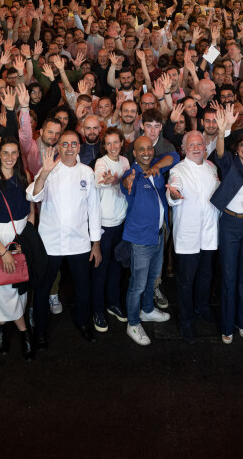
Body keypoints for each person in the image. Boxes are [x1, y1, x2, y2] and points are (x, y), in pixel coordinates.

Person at [26, 132, 102, 344]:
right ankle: (40, 330)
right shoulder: (48, 170)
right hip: (50, 243)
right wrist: (43, 174)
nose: (69, 148)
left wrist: (96, 244)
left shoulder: (87, 172)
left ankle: (83, 323)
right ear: (58, 147)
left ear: (79, 147)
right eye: (65, 144)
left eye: (73, 144)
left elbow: (94, 210)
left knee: (83, 287)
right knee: (42, 289)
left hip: (79, 242)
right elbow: (32, 196)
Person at [0, 139, 46, 359]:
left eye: (14, 153)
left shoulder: (24, 176)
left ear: (19, 155)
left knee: (21, 286)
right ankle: (22, 331)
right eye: (5, 153)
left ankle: (5, 328)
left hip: (21, 238)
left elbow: (31, 210)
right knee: (1, 287)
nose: (10, 157)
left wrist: (28, 231)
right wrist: (4, 251)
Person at [120, 136, 179, 345]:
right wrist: (127, 182)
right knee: (137, 284)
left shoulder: (156, 168)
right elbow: (125, 184)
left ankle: (146, 310)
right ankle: (133, 323)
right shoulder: (132, 174)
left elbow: (174, 156)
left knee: (153, 278)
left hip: (158, 234)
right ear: (134, 154)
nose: (146, 152)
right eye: (141, 149)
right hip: (141, 239)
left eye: (149, 148)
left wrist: (156, 167)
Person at [212, 108, 243, 344]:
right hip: (230, 224)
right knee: (229, 276)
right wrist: (223, 130)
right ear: (237, 148)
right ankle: (227, 325)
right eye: (242, 145)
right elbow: (219, 152)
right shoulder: (229, 163)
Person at [166, 130, 220, 343]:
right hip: (188, 234)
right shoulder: (178, 170)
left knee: (205, 275)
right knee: (186, 280)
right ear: (184, 148)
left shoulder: (212, 168)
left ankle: (201, 307)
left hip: (209, 232)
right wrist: (174, 194)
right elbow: (174, 187)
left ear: (205, 147)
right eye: (192, 145)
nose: (197, 148)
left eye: (200, 145)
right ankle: (185, 319)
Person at [91, 128, 130, 332]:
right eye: (109, 143)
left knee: (116, 267)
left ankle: (113, 303)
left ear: (122, 142)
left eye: (116, 142)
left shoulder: (124, 162)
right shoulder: (101, 163)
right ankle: (97, 310)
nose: (113, 147)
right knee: (100, 270)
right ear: (104, 146)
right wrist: (104, 181)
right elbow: (99, 179)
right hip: (104, 224)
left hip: (121, 223)